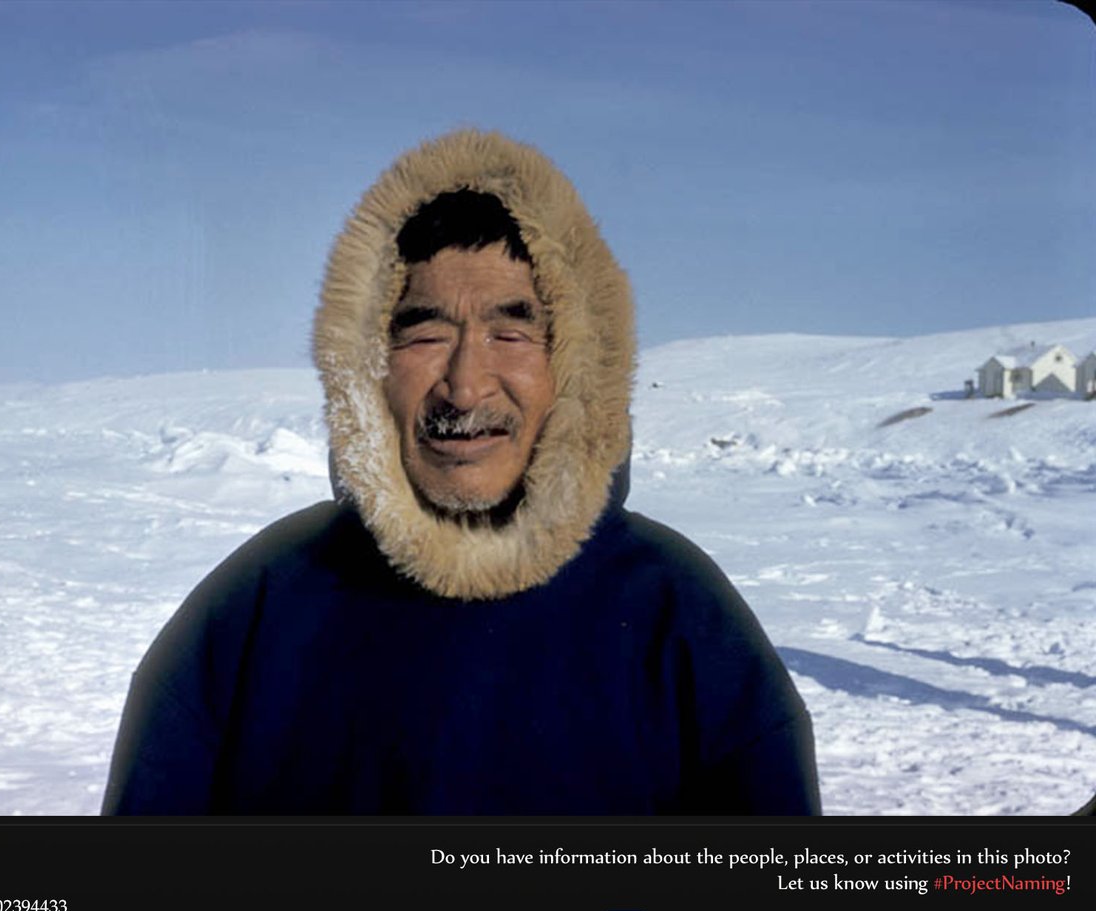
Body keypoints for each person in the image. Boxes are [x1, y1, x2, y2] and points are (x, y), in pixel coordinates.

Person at [102, 129, 820, 815]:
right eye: (425, 333)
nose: (465, 385)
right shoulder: (259, 605)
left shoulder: (680, 615)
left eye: (511, 332)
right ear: (365, 366)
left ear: (579, 366)